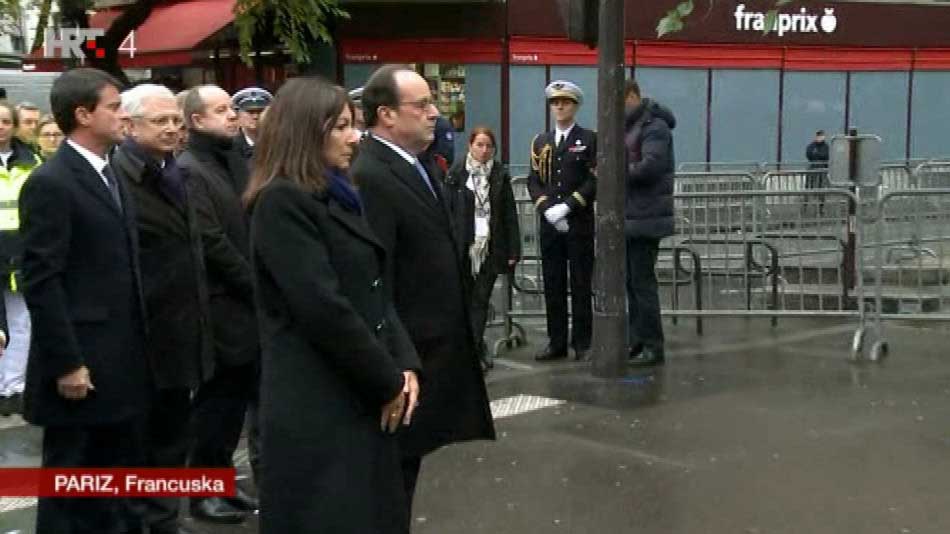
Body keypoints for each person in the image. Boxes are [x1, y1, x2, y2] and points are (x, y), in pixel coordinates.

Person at [245, 76, 421, 534]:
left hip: (355, 389)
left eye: (353, 124)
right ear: (307, 130)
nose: (354, 136)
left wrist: (404, 363)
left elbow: (376, 289)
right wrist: (386, 381)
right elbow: (323, 306)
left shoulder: (339, 195)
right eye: (341, 125)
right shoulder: (281, 201)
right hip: (318, 399)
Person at [352, 65, 494, 527]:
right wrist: (393, 362)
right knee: (391, 478)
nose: (435, 113)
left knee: (407, 471)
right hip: (406, 355)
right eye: (422, 105)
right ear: (387, 115)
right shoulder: (372, 172)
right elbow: (375, 275)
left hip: (430, 347)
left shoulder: (416, 164)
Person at [19, 67, 148, 534]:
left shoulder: (111, 175)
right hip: (82, 367)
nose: (123, 115)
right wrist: (67, 363)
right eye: (114, 107)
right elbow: (41, 280)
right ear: (82, 114)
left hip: (123, 361)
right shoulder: (52, 182)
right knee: (72, 485)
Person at [113, 83, 213, 534]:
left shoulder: (176, 172)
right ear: (129, 126)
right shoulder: (120, 178)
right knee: (142, 439)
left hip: (185, 325)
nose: (173, 128)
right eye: (161, 121)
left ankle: (164, 516)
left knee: (175, 433)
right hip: (143, 334)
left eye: (176, 119)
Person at [177, 85, 259, 524]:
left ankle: (222, 482)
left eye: (233, 108)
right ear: (195, 121)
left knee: (233, 405)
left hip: (243, 304)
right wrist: (252, 283)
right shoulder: (191, 169)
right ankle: (201, 491)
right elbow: (210, 239)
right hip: (221, 304)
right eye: (222, 109)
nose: (234, 115)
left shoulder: (232, 161)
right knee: (215, 404)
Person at [526, 80, 597, 362]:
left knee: (580, 283)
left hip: (578, 222)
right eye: (555, 103)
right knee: (553, 283)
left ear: (575, 106)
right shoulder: (540, 141)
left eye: (565, 102)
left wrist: (568, 206)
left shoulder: (589, 139)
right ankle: (556, 342)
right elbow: (534, 181)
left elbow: (595, 179)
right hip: (550, 225)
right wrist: (546, 209)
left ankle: (582, 342)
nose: (559, 107)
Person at [444, 126, 521, 369]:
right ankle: (475, 348)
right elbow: (448, 211)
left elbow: (509, 213)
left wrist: (513, 250)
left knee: (480, 300)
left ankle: (474, 350)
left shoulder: (499, 174)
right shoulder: (457, 173)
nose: (484, 150)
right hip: (464, 247)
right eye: (479, 145)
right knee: (465, 301)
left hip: (490, 245)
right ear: (470, 146)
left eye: (489, 146)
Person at [623, 80, 676, 367]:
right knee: (632, 282)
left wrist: (615, 170)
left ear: (632, 96)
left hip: (645, 215)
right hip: (633, 213)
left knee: (642, 283)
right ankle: (638, 339)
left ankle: (653, 345)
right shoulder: (633, 126)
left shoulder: (653, 126)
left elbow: (650, 167)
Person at [0, 100, 41, 417]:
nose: (0, 126)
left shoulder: (33, 160)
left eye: (4, 121)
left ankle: (13, 388)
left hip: (20, 251)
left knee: (20, 322)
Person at [231, 87, 272, 164]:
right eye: (250, 112)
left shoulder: (276, 144)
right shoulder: (230, 147)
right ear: (238, 115)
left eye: (259, 111)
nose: (255, 116)